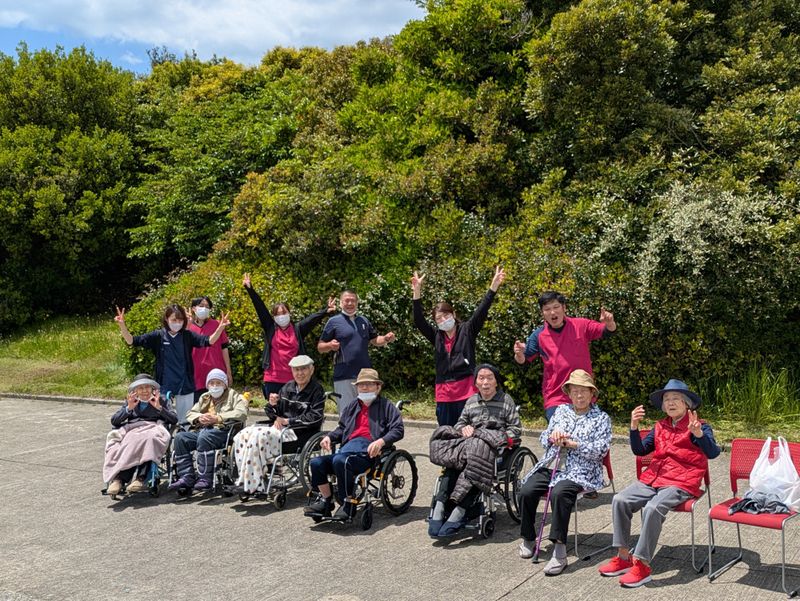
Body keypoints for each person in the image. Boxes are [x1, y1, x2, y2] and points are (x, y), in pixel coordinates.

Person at [598, 379, 721, 588]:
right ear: (663, 405)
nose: (670, 403)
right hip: (653, 478)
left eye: (676, 399)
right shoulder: (659, 426)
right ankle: (624, 556)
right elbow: (640, 451)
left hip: (682, 481)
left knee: (653, 508)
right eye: (667, 399)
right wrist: (634, 427)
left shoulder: (701, 426)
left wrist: (698, 434)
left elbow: (713, 453)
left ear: (687, 404)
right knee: (620, 499)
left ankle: (643, 566)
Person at [517, 369, 611, 575]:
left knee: (560, 493)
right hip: (554, 466)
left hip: (581, 471)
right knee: (526, 489)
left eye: (584, 391)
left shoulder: (601, 418)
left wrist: (575, 444)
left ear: (591, 394)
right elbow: (544, 439)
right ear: (569, 393)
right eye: (575, 391)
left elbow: (601, 450)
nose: (579, 395)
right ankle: (529, 537)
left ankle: (559, 551)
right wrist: (552, 438)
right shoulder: (560, 411)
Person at [428, 363, 522, 538]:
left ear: (496, 382)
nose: (485, 382)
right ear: (476, 383)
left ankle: (461, 511)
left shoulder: (506, 401)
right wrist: (464, 429)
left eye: (489, 378)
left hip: (496, 451)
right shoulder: (471, 402)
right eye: (481, 378)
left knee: (476, 463)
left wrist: (494, 437)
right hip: (469, 447)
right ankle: (441, 505)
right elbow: (460, 423)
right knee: (452, 462)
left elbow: (515, 431)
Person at [411, 266, 506, 426]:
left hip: (466, 391)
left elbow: (482, 311)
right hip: (444, 394)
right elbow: (419, 320)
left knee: (469, 432)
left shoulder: (467, 329)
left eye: (446, 316)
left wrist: (493, 286)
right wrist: (417, 291)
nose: (443, 321)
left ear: (454, 314)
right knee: (447, 433)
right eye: (439, 319)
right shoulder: (436, 336)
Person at [305, 368, 404, 520]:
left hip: (369, 453)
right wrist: (330, 437)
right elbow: (342, 428)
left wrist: (381, 441)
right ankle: (326, 501)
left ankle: (348, 503)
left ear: (378, 387)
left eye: (369, 384)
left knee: (340, 461)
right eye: (361, 385)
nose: (364, 388)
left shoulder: (386, 406)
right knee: (316, 462)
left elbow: (398, 429)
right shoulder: (352, 406)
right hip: (347, 450)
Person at [115, 303, 230, 425]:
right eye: (174, 320)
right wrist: (122, 325)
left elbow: (208, 341)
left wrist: (220, 327)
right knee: (163, 418)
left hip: (185, 383)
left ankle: (182, 441)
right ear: (166, 319)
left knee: (185, 421)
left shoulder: (187, 335)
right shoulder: (158, 336)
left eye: (180, 320)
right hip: (165, 384)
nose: (177, 323)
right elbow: (132, 341)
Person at [513, 292, 617, 420]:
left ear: (564, 308)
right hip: (556, 397)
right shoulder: (539, 335)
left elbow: (607, 331)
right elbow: (524, 360)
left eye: (556, 307)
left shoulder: (581, 325)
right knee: (559, 436)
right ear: (542, 313)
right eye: (547, 309)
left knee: (587, 435)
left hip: (583, 393)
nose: (552, 312)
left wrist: (610, 323)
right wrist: (518, 354)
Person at [233, 355, 325, 495]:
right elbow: (274, 414)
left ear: (311, 370)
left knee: (260, 436)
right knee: (243, 434)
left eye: (303, 369)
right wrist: (272, 405)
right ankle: (245, 479)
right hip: (281, 430)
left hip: (300, 433)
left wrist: (288, 421)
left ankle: (254, 483)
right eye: (296, 370)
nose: (300, 373)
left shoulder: (317, 390)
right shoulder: (287, 387)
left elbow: (315, 417)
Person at [243, 273, 335, 399]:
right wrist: (250, 289)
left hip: (295, 378)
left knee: (293, 413)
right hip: (273, 378)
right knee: (275, 412)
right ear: (274, 317)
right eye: (278, 314)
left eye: (284, 312)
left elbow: (312, 319)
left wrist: (325, 311)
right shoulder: (270, 328)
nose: (281, 316)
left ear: (289, 313)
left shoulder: (298, 329)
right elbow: (260, 308)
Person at [168, 369, 248, 492]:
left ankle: (205, 478)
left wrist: (218, 418)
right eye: (212, 383)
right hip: (203, 431)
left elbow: (241, 413)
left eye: (218, 383)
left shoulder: (233, 396)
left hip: (223, 431)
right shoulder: (205, 397)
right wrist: (199, 417)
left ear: (225, 384)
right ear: (207, 385)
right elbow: (190, 413)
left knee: (205, 437)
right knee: (180, 438)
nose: (215, 386)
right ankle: (187, 477)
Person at [317, 289, 396, 413]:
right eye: (346, 301)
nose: (350, 303)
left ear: (357, 303)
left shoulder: (364, 321)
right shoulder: (333, 322)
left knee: (368, 413)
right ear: (341, 303)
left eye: (353, 301)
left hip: (365, 376)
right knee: (347, 414)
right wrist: (330, 345)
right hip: (344, 375)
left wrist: (385, 338)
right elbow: (320, 347)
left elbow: (375, 340)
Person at [104, 374, 178, 495]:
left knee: (148, 440)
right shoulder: (131, 401)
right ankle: (119, 480)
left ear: (152, 388)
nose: (144, 390)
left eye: (147, 387)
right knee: (128, 443)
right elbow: (115, 420)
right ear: (135, 390)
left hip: (153, 428)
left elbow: (174, 419)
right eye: (140, 388)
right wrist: (129, 408)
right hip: (134, 430)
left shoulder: (161, 399)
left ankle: (141, 478)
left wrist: (159, 408)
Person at [188, 295, 232, 403]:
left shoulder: (217, 324)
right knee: (198, 409)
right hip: (195, 374)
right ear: (193, 308)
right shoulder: (187, 327)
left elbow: (224, 348)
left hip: (216, 373)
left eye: (207, 306)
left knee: (217, 407)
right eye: (201, 305)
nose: (204, 308)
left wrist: (228, 371)